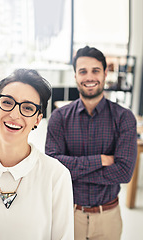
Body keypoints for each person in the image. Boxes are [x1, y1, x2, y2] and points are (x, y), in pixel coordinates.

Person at [0, 69, 74, 240]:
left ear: (37, 120)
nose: (14, 114)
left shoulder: (57, 175)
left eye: (27, 108)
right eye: (8, 102)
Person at [45, 46, 137, 240]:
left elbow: (124, 172)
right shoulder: (59, 117)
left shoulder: (124, 118)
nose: (89, 77)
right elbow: (52, 166)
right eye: (83, 71)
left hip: (108, 218)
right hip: (69, 215)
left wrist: (72, 170)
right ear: (75, 76)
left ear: (105, 73)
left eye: (95, 70)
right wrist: (101, 160)